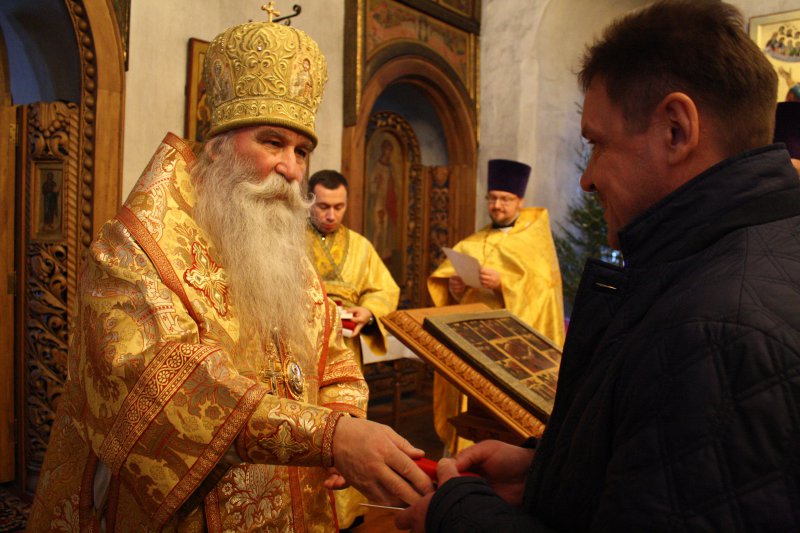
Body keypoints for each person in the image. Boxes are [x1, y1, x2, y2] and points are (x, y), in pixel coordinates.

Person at [398, 1, 800, 531]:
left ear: (676, 130)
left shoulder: (716, 329)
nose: (587, 179)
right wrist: (545, 472)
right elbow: (667, 472)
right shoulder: (750, 254)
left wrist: (456, 514)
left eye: (597, 144)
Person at [27, 14, 433, 532]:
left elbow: (330, 351)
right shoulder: (134, 247)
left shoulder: (283, 248)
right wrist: (328, 437)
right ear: (217, 145)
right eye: (272, 142)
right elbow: (157, 384)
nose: (291, 168)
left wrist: (345, 414)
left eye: (302, 151)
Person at [427, 158, 565, 455]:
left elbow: (545, 289)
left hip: (511, 348)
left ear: (520, 201)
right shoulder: (475, 241)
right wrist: (455, 290)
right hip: (472, 341)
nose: (497, 205)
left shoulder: (534, 240)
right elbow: (451, 296)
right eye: (492, 198)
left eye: (505, 199)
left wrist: (505, 284)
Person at [306, 169, 401, 528]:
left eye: (339, 207)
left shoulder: (361, 246)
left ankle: (345, 515)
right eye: (323, 206)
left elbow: (384, 289)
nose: (331, 215)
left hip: (344, 350)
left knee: (345, 420)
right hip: (299, 348)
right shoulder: (287, 238)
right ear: (309, 202)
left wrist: (369, 311)